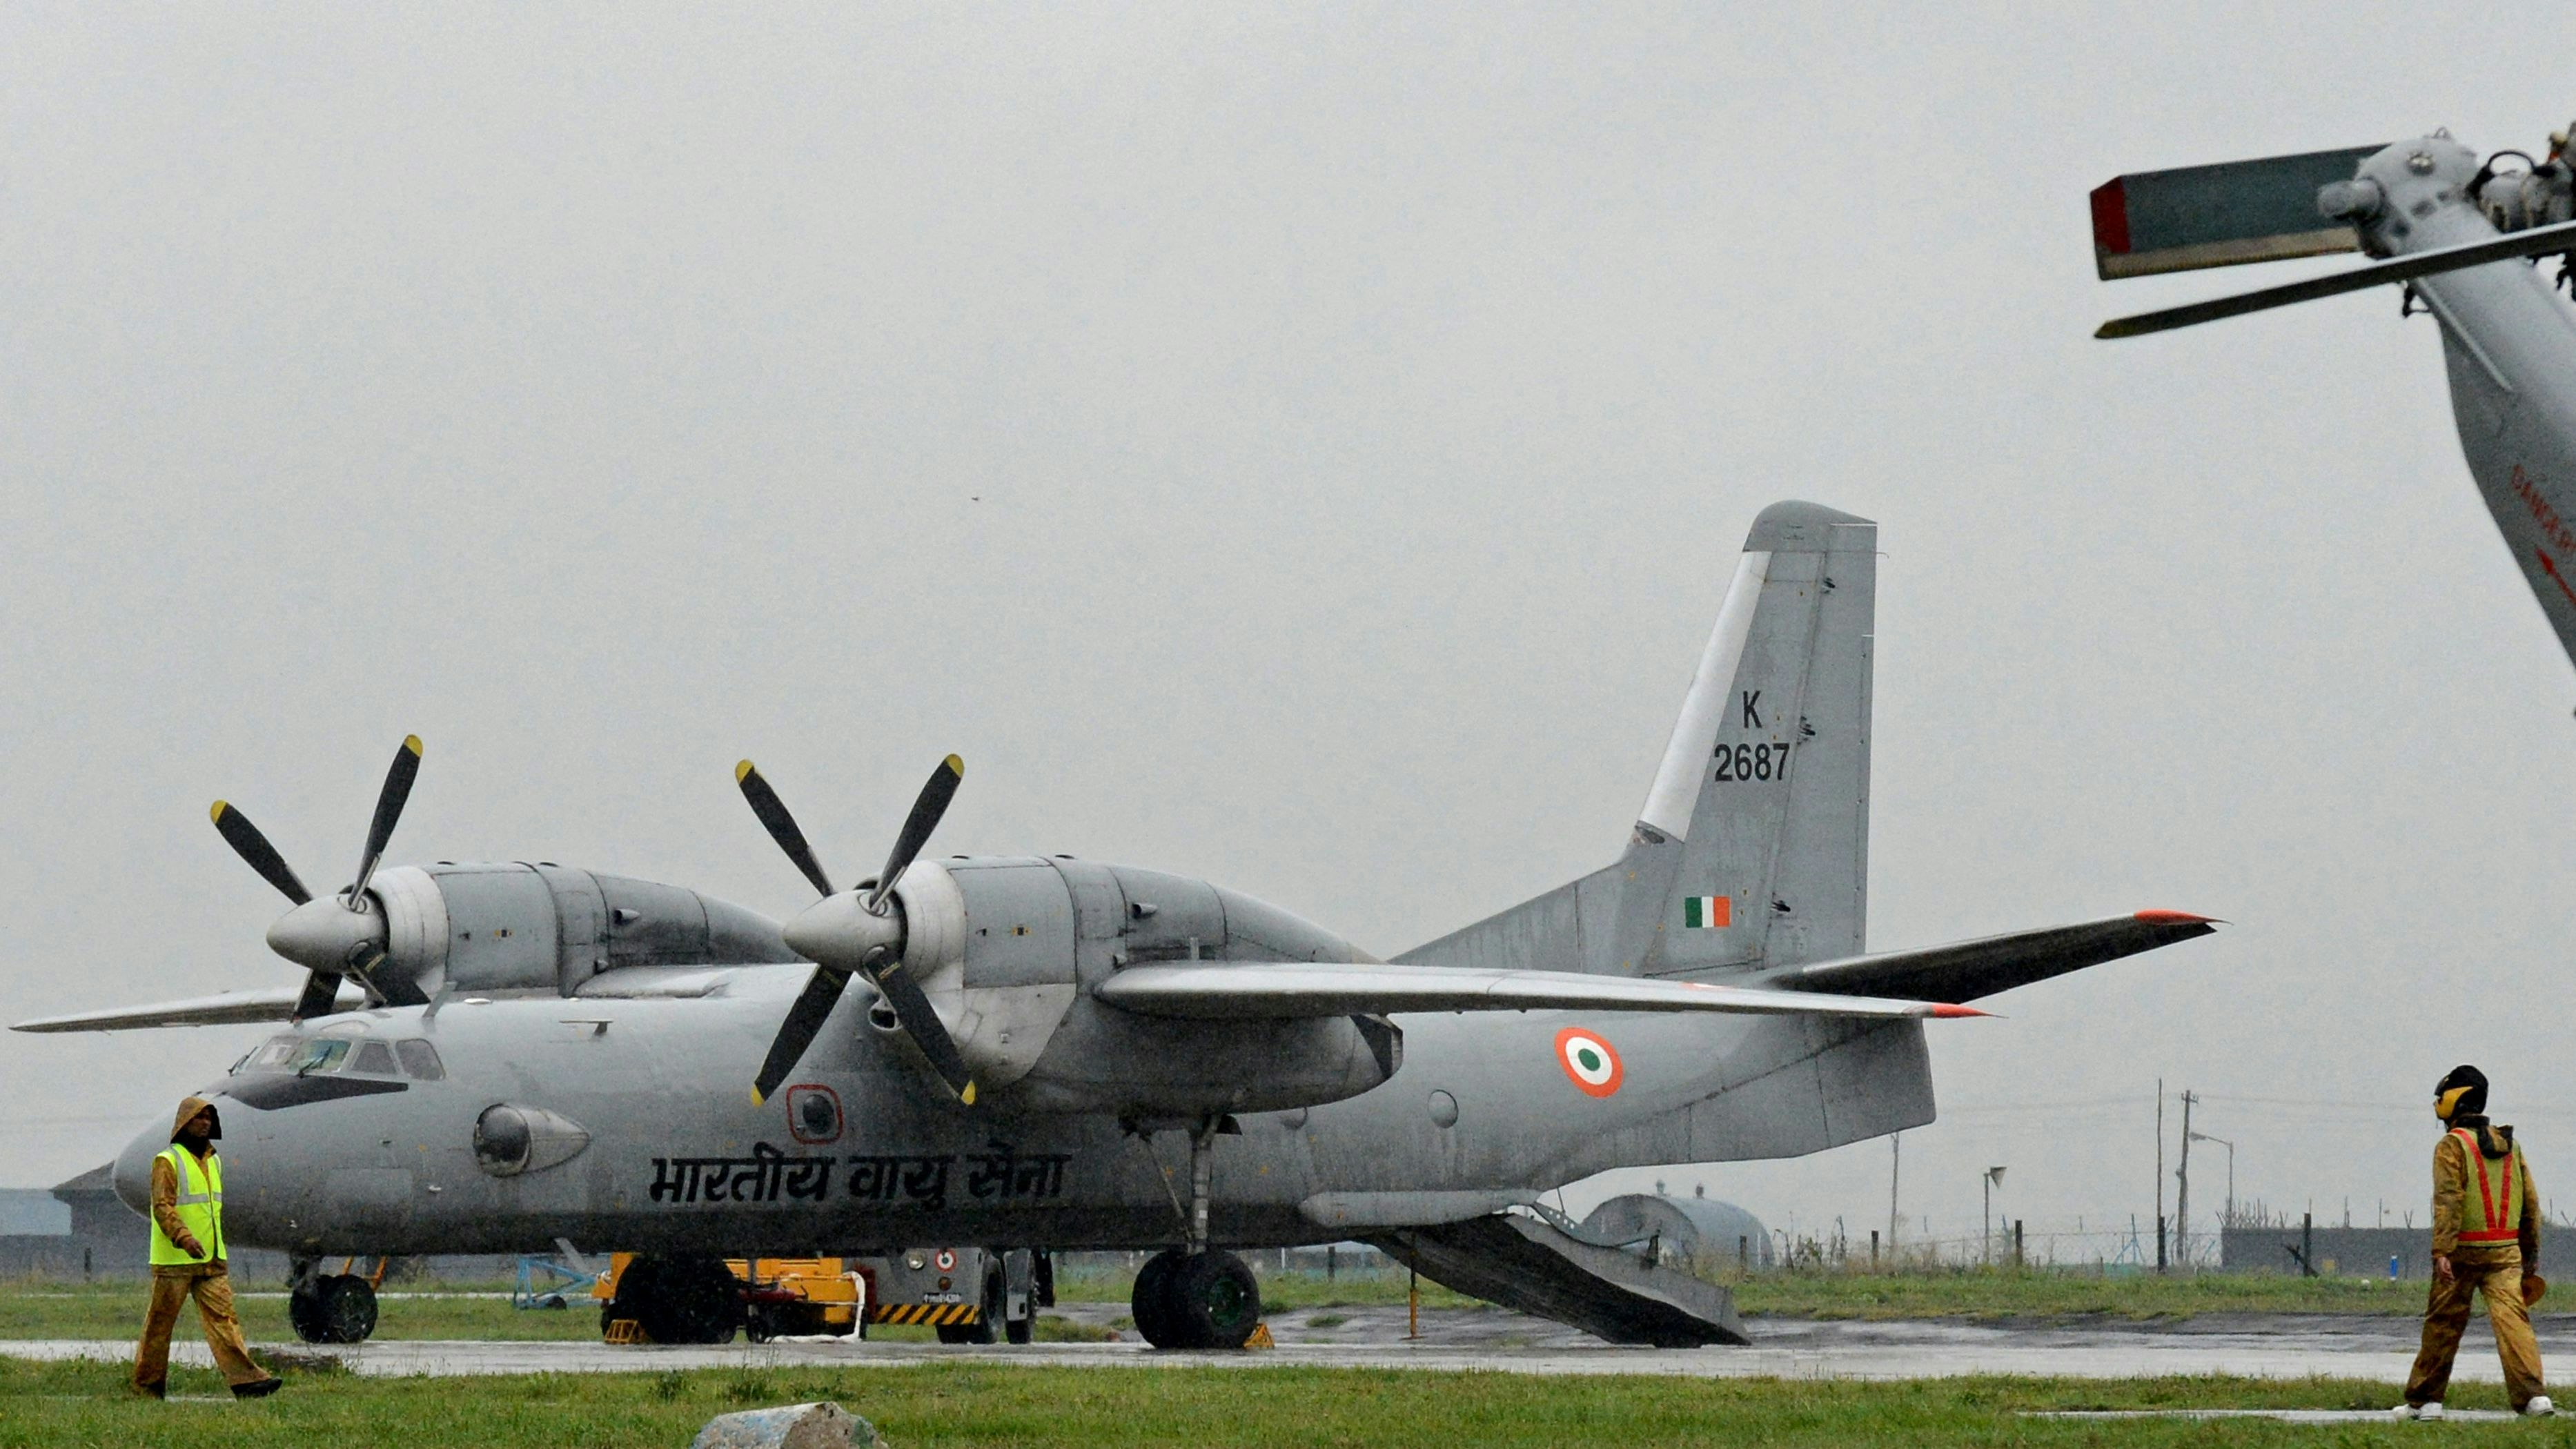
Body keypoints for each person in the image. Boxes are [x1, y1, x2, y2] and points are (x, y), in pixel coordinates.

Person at [2393, 1065, 2552, 1419]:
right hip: (2506, 1253)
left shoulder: (2451, 1145)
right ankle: (2534, 1398)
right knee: (2514, 1323)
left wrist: (2442, 1251)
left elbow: (2448, 1200)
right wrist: (2531, 1252)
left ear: (2457, 1099)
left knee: (2443, 1325)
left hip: (2462, 1252)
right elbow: (2531, 1204)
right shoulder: (2511, 1145)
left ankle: (2426, 1402)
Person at [132, 1096, 280, 1400]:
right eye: (199, 1118)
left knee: (224, 1320)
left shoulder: (215, 1161)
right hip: (175, 1260)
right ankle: (147, 1387)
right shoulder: (167, 1161)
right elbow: (162, 1207)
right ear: (183, 1124)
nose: (205, 1124)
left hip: (212, 1260)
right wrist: (184, 1238)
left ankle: (247, 1382)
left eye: (209, 1119)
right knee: (160, 1326)